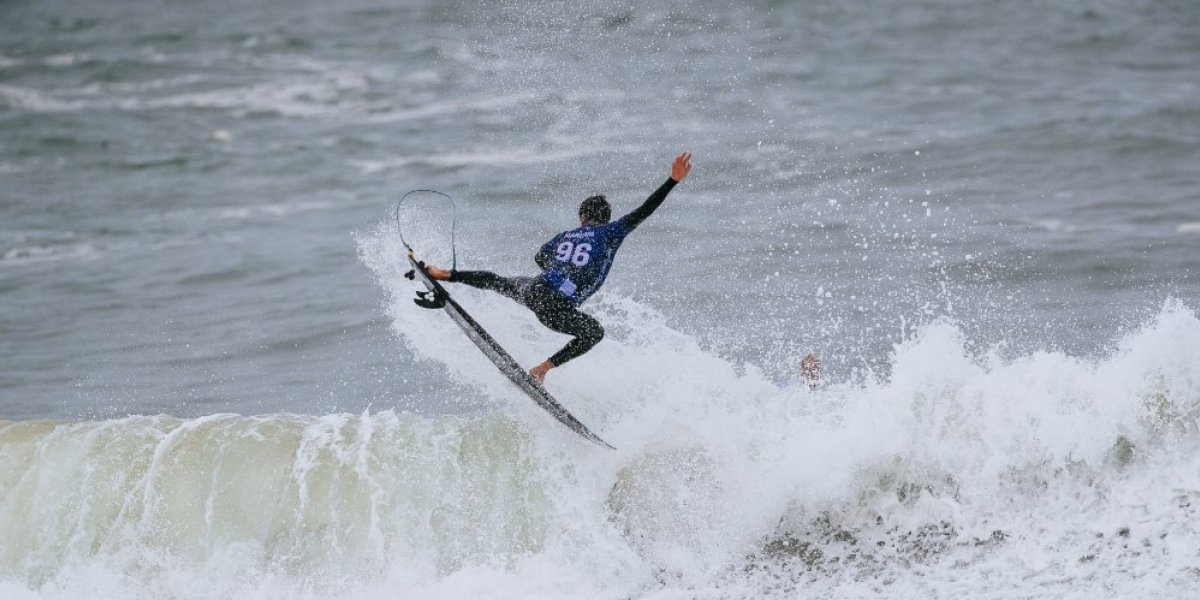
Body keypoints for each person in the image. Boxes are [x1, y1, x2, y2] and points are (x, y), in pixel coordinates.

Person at [426, 152, 693, 384]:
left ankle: (444, 274)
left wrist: (560, 269)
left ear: (582, 217)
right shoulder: (612, 233)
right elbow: (645, 210)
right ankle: (542, 369)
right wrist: (673, 180)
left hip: (535, 290)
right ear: (606, 219)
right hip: (556, 308)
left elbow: (540, 257)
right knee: (593, 333)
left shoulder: (566, 235)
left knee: (498, 281)